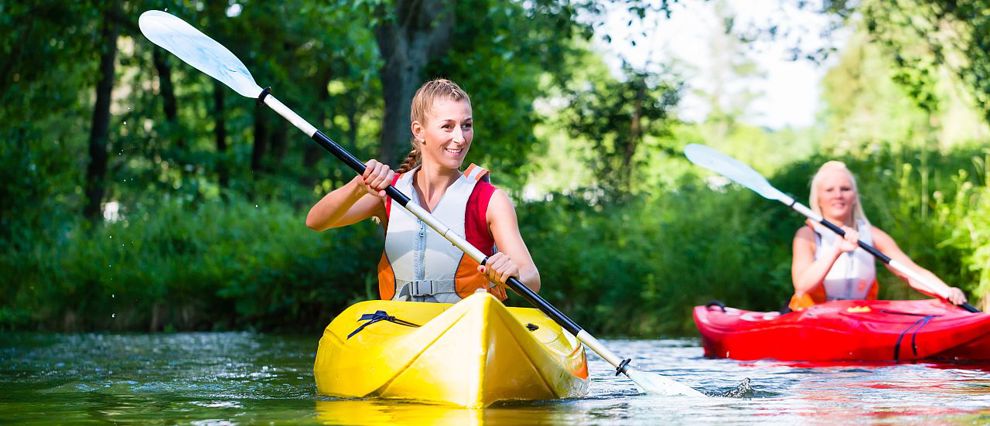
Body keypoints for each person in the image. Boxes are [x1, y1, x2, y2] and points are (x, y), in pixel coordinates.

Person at [305, 78, 540, 303]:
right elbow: (316, 221)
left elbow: (532, 278)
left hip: (465, 329)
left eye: (466, 125)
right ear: (419, 131)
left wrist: (514, 274)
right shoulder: (390, 191)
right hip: (400, 324)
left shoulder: (490, 200)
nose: (460, 138)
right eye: (447, 127)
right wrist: (357, 186)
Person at [789, 161, 967, 311]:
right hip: (812, 315)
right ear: (818, 198)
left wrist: (945, 290)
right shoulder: (807, 235)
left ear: (855, 197)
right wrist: (836, 250)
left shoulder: (872, 235)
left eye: (845, 189)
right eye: (829, 190)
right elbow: (802, 285)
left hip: (856, 316)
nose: (838, 195)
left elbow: (910, 272)